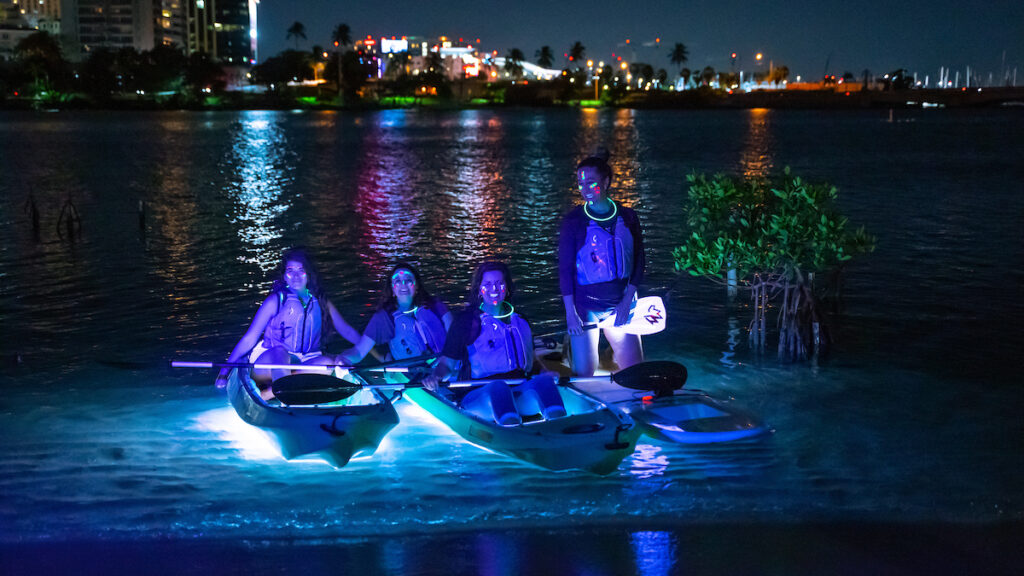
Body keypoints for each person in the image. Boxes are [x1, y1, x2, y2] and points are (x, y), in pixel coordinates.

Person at [423, 261, 566, 426]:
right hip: (479, 397)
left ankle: (560, 428)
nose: (494, 289)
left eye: (499, 283)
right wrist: (435, 376)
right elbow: (447, 364)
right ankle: (510, 431)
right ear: (479, 289)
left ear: (507, 287)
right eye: (488, 284)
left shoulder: (520, 321)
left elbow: (531, 361)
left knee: (544, 382)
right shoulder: (466, 322)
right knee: (498, 387)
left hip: (518, 392)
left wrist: (544, 373)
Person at [216, 248, 362, 399]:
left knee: (329, 362)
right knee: (280, 352)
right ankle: (286, 394)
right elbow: (249, 339)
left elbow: (346, 330)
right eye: (290, 270)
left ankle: (269, 392)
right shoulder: (275, 301)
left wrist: (372, 350)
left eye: (301, 270)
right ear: (284, 275)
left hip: (304, 362)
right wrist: (224, 372)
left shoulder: (321, 302)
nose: (296, 276)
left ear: (309, 274)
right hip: (270, 361)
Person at [558, 149, 646, 376]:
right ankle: (573, 354)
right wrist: (570, 314)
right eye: (580, 184)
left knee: (636, 371)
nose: (585, 189)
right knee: (585, 374)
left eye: (591, 183)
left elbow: (639, 261)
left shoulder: (628, 217)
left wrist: (627, 301)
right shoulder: (573, 222)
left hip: (621, 303)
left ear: (606, 182)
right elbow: (565, 270)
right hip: (585, 307)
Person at [338, 262, 452, 365]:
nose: (403, 284)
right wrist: (344, 359)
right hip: (411, 378)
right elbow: (359, 351)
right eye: (397, 281)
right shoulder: (384, 318)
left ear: (416, 286)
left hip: (446, 369)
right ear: (392, 289)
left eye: (408, 280)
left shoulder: (436, 305)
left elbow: (455, 335)